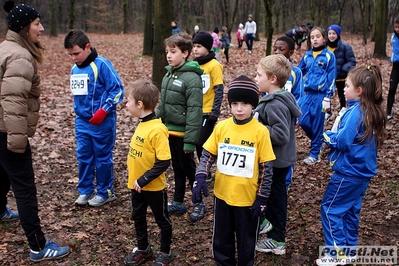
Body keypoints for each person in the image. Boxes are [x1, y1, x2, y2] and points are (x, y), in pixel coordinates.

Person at [0, 1, 70, 262]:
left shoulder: (6, 48)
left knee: (2, 174)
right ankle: (39, 246)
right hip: (7, 130)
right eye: (36, 24)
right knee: (25, 188)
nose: (40, 28)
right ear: (23, 28)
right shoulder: (19, 55)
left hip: (1, 129)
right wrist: (17, 142)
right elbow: (13, 100)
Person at [192, 75, 275, 265]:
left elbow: (266, 168)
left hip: (247, 199)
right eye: (235, 103)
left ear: (253, 105)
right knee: (222, 240)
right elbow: (208, 154)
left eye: (245, 103)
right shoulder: (222, 127)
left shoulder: (260, 132)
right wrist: (201, 175)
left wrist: (262, 197)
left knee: (246, 242)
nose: (239, 108)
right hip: (222, 196)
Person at [316, 65, 386, 266]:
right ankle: (348, 249)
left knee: (330, 209)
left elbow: (344, 141)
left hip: (348, 172)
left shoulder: (356, 112)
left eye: (347, 85)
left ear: (359, 90)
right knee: (350, 209)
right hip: (362, 173)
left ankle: (335, 254)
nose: (344, 89)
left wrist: (327, 136)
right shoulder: (369, 111)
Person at [64, 29, 124, 206]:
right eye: (70, 54)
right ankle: (86, 190)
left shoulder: (102, 65)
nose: (74, 58)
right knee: (83, 156)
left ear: (87, 47)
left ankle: (106, 191)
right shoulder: (75, 68)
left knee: (102, 157)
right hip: (82, 122)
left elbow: (118, 89)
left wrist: (104, 110)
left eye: (76, 53)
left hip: (102, 122)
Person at [253, 55, 302, 255]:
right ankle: (271, 231)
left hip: (276, 161)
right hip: (278, 161)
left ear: (272, 79)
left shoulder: (275, 103)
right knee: (274, 197)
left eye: (258, 74)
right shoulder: (277, 98)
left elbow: (281, 135)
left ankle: (277, 239)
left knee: (275, 200)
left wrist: (257, 127)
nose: (255, 78)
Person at [123, 80, 173, 266]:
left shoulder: (157, 129)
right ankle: (143, 248)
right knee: (138, 217)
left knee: (162, 220)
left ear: (140, 105)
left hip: (153, 187)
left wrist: (144, 179)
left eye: (128, 101)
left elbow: (164, 161)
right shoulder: (143, 124)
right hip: (136, 187)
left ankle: (165, 252)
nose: (126, 104)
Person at [156, 33, 203, 216]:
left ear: (185, 53)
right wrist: (155, 120)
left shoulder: (192, 78)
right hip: (169, 132)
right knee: (176, 167)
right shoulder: (168, 74)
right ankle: (178, 201)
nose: (169, 55)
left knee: (189, 169)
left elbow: (194, 110)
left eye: (173, 51)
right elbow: (164, 104)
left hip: (184, 135)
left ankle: (198, 203)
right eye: (167, 51)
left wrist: (190, 141)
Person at [191, 31, 224, 222]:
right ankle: (206, 168)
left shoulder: (214, 66)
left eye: (199, 46)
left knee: (203, 142)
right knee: (197, 142)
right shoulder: (193, 65)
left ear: (208, 48)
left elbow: (219, 90)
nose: (196, 49)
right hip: (194, 110)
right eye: (194, 46)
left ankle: (209, 167)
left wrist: (215, 113)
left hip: (207, 112)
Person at [297, 27, 336, 165]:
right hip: (307, 95)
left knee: (318, 124)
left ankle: (315, 154)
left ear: (324, 38)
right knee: (302, 120)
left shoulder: (329, 56)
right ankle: (319, 141)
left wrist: (328, 96)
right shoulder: (307, 55)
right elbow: (298, 72)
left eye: (318, 36)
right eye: (312, 37)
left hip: (321, 96)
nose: (315, 39)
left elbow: (332, 77)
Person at [326, 24, 356, 121]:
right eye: (329, 33)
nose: (331, 36)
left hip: (341, 77)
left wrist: (343, 69)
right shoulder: (325, 47)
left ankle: (343, 111)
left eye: (334, 33)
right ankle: (327, 112)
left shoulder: (345, 47)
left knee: (342, 95)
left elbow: (352, 61)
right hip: (328, 77)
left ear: (338, 34)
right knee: (326, 97)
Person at [386, 15, 399, 121]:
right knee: (392, 89)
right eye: (396, 27)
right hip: (396, 66)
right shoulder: (393, 37)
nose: (397, 29)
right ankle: (388, 113)